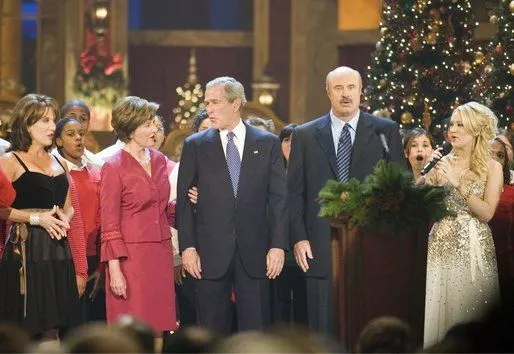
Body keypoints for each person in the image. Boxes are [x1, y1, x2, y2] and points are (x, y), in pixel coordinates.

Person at [287, 66, 405, 333]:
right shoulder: (305, 135)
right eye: (338, 88)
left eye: (351, 87)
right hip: (318, 243)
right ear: (328, 92)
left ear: (361, 90)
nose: (345, 94)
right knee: (323, 325)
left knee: (367, 323)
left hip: (371, 241)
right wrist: (299, 237)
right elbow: (293, 193)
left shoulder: (385, 131)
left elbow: (399, 187)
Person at [177, 76, 287, 334]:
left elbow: (279, 199)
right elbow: (184, 202)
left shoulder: (267, 142)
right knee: (211, 332)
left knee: (256, 329)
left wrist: (278, 246)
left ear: (236, 103)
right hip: (209, 252)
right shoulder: (195, 145)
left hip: (256, 251)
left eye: (215, 102)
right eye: (207, 103)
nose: (209, 110)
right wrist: (189, 247)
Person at [422, 102, 502, 347]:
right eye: (451, 125)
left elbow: (487, 213)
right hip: (442, 240)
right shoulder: (441, 162)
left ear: (477, 130)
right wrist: (426, 178)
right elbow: (418, 202)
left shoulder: (492, 167)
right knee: (443, 308)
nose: (453, 130)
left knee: (471, 306)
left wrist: (459, 184)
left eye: (460, 125)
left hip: (474, 242)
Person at [0, 93, 80, 337]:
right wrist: (36, 218)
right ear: (27, 124)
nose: (51, 126)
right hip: (27, 248)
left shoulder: (60, 162)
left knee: (56, 324)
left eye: (53, 120)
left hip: (58, 248)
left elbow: (69, 205)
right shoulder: (9, 161)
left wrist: (66, 217)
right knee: (28, 323)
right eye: (44, 120)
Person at [100, 96, 176, 337]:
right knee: (132, 329)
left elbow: (163, 208)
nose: (155, 128)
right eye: (147, 124)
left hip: (160, 253)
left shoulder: (159, 160)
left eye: (154, 122)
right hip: (130, 258)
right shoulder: (114, 166)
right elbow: (109, 222)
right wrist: (115, 271)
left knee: (159, 325)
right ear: (131, 129)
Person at [54, 117, 105, 322]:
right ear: (58, 141)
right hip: (66, 257)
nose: (78, 139)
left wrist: (102, 266)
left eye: (81, 134)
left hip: (93, 257)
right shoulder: (56, 172)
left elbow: (103, 221)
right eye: (70, 134)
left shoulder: (96, 172)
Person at [488, 136, 514, 309]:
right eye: (490, 154)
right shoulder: (465, 189)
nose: (496, 160)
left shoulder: (511, 192)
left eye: (500, 155)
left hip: (505, 262)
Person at [60, 100, 104, 168]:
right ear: (60, 122)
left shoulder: (97, 164)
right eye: (72, 118)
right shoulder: (51, 162)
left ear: (88, 124)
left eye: (83, 119)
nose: (77, 122)